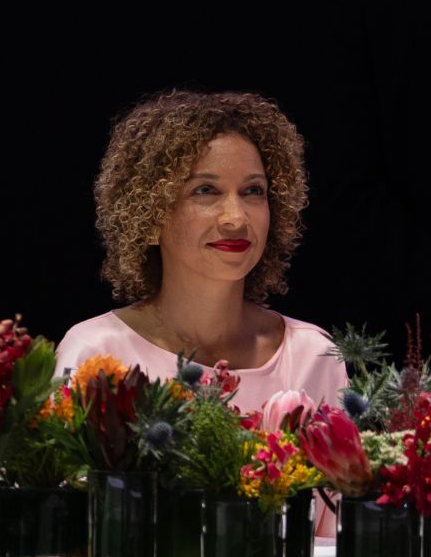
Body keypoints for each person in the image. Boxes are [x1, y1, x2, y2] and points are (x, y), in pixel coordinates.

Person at [57, 89, 348, 408]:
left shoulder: (313, 355)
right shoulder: (95, 352)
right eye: (206, 190)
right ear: (150, 215)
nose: (236, 218)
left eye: (253, 190)